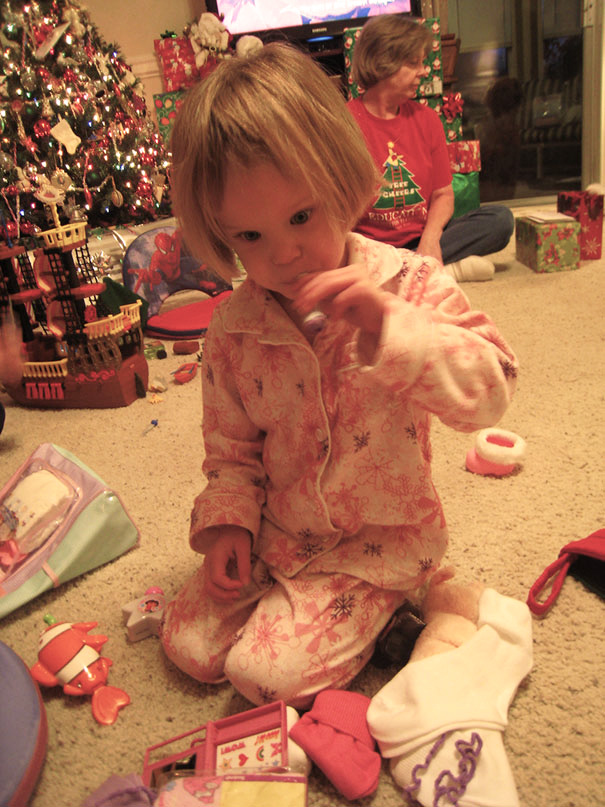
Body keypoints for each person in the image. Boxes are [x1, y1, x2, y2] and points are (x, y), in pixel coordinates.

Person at [160, 42, 518, 709]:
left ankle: (397, 603)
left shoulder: (408, 283)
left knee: (261, 676)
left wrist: (389, 327)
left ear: (341, 179)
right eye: (249, 237)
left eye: (300, 216)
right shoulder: (232, 328)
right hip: (282, 534)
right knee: (188, 644)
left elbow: (489, 388)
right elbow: (230, 454)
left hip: (377, 543)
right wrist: (227, 525)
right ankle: (296, 605)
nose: (285, 253)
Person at [347, 14, 515, 282]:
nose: (424, 71)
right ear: (383, 63)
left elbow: (443, 195)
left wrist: (430, 238)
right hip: (371, 247)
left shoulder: (427, 119)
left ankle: (407, 270)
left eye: (424, 62)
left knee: (501, 220)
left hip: (421, 234)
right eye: (414, 63)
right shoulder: (343, 123)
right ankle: (441, 270)